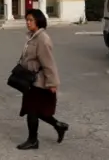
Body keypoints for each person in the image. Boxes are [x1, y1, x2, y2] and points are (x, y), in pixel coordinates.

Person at [16, 8, 69, 150]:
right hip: (30, 80)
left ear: (38, 21)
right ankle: (59, 126)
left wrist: (52, 83)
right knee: (36, 110)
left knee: (32, 110)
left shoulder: (42, 39)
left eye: (30, 20)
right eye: (26, 20)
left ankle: (33, 140)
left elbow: (49, 63)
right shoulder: (32, 36)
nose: (27, 22)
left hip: (39, 81)